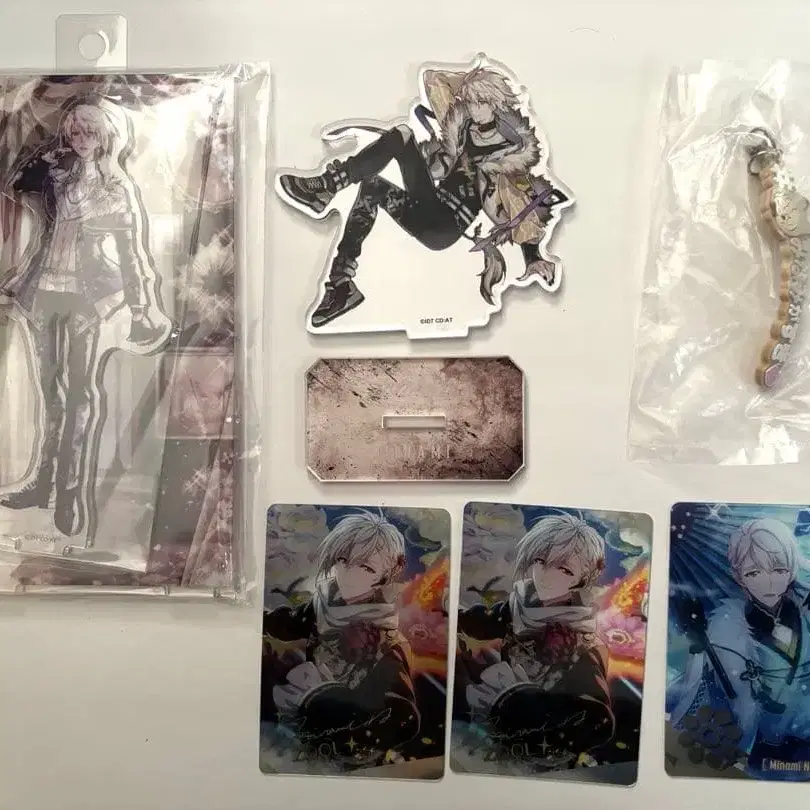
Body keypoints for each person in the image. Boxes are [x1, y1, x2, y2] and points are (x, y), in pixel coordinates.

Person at [279, 64, 568, 327]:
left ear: (494, 103)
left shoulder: (511, 155)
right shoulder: (462, 128)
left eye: (481, 102)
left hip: (446, 224)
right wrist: (472, 78)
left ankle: (327, 187)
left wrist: (533, 256)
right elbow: (432, 79)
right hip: (429, 203)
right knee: (374, 184)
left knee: (403, 135)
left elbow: (521, 206)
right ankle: (341, 285)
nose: (474, 108)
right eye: (471, 101)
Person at [0, 100, 164, 535]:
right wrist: (49, 151)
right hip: (43, 291)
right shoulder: (57, 173)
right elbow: (15, 181)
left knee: (80, 393)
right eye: (74, 132)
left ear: (105, 135)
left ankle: (69, 492)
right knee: (48, 391)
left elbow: (131, 256)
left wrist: (140, 308)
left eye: (89, 132)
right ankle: (41, 483)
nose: (81, 140)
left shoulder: (116, 187)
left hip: (85, 298)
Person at [261, 512, 419, 770]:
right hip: (307, 740)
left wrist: (341, 727)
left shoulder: (387, 641)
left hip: (355, 755)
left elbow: (404, 718)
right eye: (343, 560)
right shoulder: (322, 606)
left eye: (366, 568)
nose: (348, 574)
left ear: (383, 576)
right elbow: (287, 624)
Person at [456, 513, 614, 769]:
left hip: (547, 750)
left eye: (564, 570)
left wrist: (532, 705)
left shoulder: (584, 644)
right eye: (540, 561)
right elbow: (482, 622)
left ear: (582, 579)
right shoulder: (518, 607)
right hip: (499, 734)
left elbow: (598, 721)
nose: (545, 575)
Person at [669, 518, 810, 778]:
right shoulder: (726, 631)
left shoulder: (804, 616)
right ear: (738, 576)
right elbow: (701, 691)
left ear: (792, 570)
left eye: (779, 570)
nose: (769, 583)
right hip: (760, 751)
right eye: (754, 573)